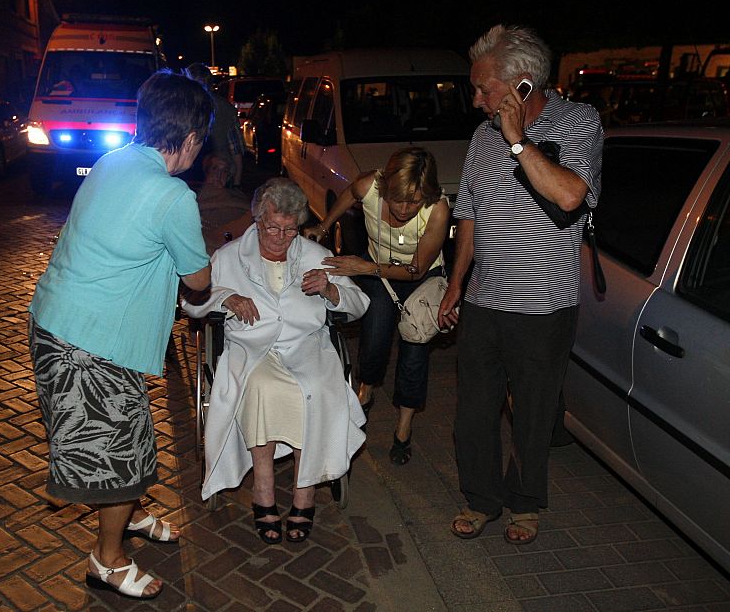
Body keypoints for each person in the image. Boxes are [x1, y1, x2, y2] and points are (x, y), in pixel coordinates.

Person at [27, 69, 214, 599]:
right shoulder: (172, 195)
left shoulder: (112, 162)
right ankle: (105, 560)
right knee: (122, 459)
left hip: (54, 322)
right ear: (193, 138)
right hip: (87, 344)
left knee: (126, 441)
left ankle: (127, 517)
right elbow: (197, 282)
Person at [438, 24, 603, 545]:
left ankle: (525, 504)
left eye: (484, 89)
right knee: (474, 414)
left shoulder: (579, 122)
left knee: (531, 415)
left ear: (523, 86)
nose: (476, 100)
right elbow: (468, 215)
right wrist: (455, 283)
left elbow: (571, 195)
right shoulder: (481, 138)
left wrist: (518, 142)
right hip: (485, 303)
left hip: (544, 308)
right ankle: (480, 499)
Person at [181, 178, 369, 544]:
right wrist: (225, 298)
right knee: (261, 386)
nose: (281, 237)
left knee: (315, 388)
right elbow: (191, 301)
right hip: (252, 349)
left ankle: (304, 492)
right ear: (257, 220)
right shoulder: (230, 256)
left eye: (290, 229)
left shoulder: (315, 255)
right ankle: (263, 489)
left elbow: (360, 304)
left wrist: (331, 290)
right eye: (272, 227)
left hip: (306, 346)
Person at [303, 147, 450, 466]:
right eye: (399, 199)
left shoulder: (437, 209)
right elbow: (346, 195)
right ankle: (366, 388)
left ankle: (403, 427)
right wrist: (325, 225)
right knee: (376, 325)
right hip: (379, 274)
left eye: (414, 202)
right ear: (386, 188)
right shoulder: (369, 185)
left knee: (415, 344)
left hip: (418, 275)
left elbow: (417, 269)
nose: (405, 208)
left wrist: (364, 267)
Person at [185, 62, 243, 188]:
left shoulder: (178, 108)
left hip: (206, 179)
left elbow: (236, 152)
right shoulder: (226, 109)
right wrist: (237, 186)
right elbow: (236, 152)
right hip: (216, 179)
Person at [194, 152, 252, 253]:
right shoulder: (194, 196)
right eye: (215, 168)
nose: (219, 175)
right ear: (207, 171)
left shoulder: (237, 196)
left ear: (228, 176)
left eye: (224, 171)